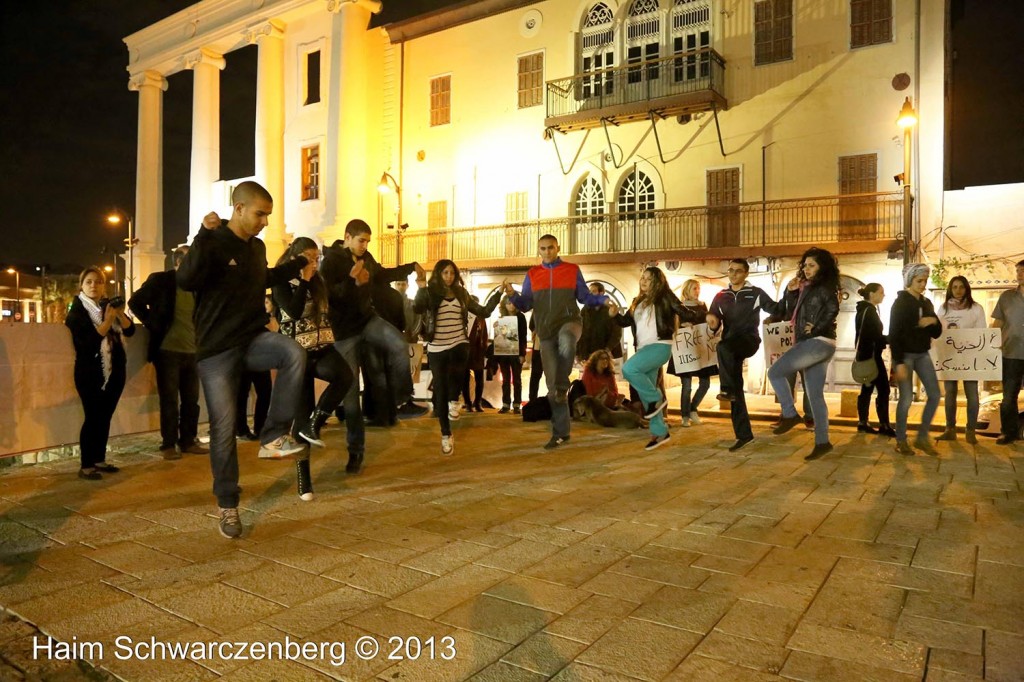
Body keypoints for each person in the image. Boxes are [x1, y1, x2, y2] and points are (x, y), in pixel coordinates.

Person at [177, 181, 309, 539]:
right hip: (217, 349)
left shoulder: (258, 248)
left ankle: (273, 436)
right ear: (238, 209)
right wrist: (202, 236)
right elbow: (186, 279)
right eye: (259, 213)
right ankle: (227, 506)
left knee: (292, 352)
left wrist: (296, 264)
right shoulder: (215, 240)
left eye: (267, 214)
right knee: (223, 430)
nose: (265, 221)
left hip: (251, 339)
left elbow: (260, 279)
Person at [320, 219, 428, 475]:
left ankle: (402, 398)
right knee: (351, 396)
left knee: (398, 344)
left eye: (368, 241)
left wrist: (410, 268)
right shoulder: (332, 260)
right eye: (361, 240)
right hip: (344, 332)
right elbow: (330, 296)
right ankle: (355, 450)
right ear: (347, 237)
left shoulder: (366, 257)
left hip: (367, 321)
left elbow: (382, 275)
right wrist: (352, 282)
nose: (365, 245)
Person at [505, 234, 608, 449]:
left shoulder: (571, 270)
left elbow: (584, 297)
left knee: (567, 339)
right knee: (553, 390)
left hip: (570, 322)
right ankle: (561, 432)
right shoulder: (532, 274)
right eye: (543, 248)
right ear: (538, 250)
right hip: (545, 331)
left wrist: (602, 300)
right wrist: (513, 294)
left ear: (558, 248)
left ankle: (562, 385)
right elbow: (525, 304)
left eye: (551, 247)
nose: (547, 251)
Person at [272, 237, 354, 501]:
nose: (314, 262)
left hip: (322, 348)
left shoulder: (318, 281)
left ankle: (316, 423)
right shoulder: (281, 283)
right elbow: (293, 311)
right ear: (296, 257)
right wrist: (304, 280)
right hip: (296, 355)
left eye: (316, 258)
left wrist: (353, 282)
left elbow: (335, 304)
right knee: (301, 415)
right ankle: (303, 479)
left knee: (345, 375)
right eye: (309, 257)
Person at [414, 260, 503, 454]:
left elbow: (484, 312)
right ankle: (446, 435)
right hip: (437, 346)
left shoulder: (462, 293)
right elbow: (418, 308)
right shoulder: (430, 293)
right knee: (441, 389)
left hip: (459, 343)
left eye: (452, 273)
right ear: (438, 274)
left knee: (458, 375)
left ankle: (455, 401)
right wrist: (421, 286)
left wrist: (499, 293)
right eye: (445, 273)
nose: (449, 277)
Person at [128, 245, 207, 460]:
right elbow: (134, 302)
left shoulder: (199, 287)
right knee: (169, 400)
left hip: (193, 351)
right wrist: (153, 323)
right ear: (178, 262)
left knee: (192, 400)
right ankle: (168, 444)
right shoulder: (160, 281)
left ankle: (188, 440)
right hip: (167, 351)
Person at [615, 266, 701, 450]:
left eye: (648, 278)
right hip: (644, 348)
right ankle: (660, 432)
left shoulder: (664, 296)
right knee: (648, 395)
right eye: (642, 278)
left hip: (660, 345)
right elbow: (624, 322)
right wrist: (614, 314)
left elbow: (685, 312)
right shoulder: (637, 302)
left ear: (657, 282)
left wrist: (689, 320)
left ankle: (656, 397)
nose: (643, 281)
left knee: (629, 370)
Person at [767, 248, 841, 461]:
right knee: (816, 396)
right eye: (805, 265)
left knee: (775, 373)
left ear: (822, 267)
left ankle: (789, 414)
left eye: (812, 265)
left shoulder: (824, 287)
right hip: (821, 344)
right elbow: (791, 313)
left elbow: (832, 308)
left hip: (816, 342)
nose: (806, 269)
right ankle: (822, 442)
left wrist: (816, 328)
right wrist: (790, 293)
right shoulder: (808, 288)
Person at [706, 258, 785, 452]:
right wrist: (712, 322)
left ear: (746, 273)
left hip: (749, 341)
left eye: (738, 271)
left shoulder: (755, 293)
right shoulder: (720, 296)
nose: (733, 274)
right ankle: (744, 435)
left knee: (723, 349)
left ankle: (727, 389)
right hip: (730, 345)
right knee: (736, 388)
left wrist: (789, 293)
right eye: (730, 270)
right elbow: (713, 320)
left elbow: (777, 310)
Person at [65, 267, 135, 480]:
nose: (93, 286)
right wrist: (107, 320)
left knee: (105, 417)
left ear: (104, 285)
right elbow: (87, 344)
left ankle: (99, 459)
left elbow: (130, 330)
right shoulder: (77, 312)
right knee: (93, 417)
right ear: (81, 286)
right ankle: (86, 465)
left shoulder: (108, 307)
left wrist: (119, 313)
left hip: (114, 372)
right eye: (89, 282)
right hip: (90, 374)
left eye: (98, 282)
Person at [890, 263, 942, 456]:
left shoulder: (927, 303)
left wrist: (933, 321)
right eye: (919, 281)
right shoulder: (901, 303)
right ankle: (901, 440)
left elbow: (937, 333)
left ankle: (922, 437)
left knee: (935, 394)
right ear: (910, 281)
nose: (923, 284)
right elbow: (894, 334)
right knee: (905, 399)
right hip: (904, 355)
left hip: (922, 353)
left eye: (925, 281)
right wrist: (899, 362)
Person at [936, 275, 986, 443]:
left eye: (961, 287)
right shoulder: (943, 309)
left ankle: (970, 430)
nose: (958, 290)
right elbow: (938, 333)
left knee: (972, 394)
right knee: (950, 393)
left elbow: (981, 332)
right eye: (955, 287)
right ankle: (950, 429)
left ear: (967, 289)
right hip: (949, 356)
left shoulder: (976, 308)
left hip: (970, 356)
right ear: (950, 289)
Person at [667, 279, 713, 428]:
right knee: (686, 386)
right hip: (685, 351)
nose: (697, 291)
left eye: (698, 288)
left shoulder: (702, 305)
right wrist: (682, 325)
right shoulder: (679, 307)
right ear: (687, 290)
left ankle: (693, 408)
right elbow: (672, 326)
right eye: (694, 288)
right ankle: (685, 415)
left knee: (705, 384)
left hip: (700, 349)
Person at [854, 283, 895, 437]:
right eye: (881, 292)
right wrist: (890, 339)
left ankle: (863, 422)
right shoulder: (869, 311)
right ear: (872, 294)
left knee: (867, 388)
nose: (883, 295)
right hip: (872, 357)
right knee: (884, 389)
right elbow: (873, 336)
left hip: (865, 356)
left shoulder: (864, 310)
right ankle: (884, 425)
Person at [992, 259, 1024, 445]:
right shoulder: (1006, 297)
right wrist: (991, 343)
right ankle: (1008, 432)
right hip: (1011, 353)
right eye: (1018, 270)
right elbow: (998, 323)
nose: (1019, 274)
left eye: (1023, 271)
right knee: (1008, 396)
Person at [236, 295, 276, 443]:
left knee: (265, 392)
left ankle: (260, 427)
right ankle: (241, 429)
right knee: (241, 394)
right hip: (243, 356)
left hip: (259, 356)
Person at [495, 297, 527, 414]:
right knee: (506, 379)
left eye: (513, 303)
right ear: (504, 305)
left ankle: (517, 403)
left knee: (517, 379)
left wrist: (522, 354)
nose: (511, 305)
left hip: (516, 352)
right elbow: (500, 337)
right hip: (504, 353)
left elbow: (523, 336)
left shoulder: (521, 317)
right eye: (508, 303)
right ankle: (505, 403)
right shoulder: (502, 317)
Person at [462, 299, 489, 412]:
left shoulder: (481, 317)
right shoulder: (463, 316)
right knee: (465, 378)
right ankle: (467, 403)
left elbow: (484, 334)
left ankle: (477, 402)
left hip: (478, 351)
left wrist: (484, 348)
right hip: (466, 350)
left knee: (479, 378)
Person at [577, 282, 616, 361]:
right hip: (588, 352)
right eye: (589, 292)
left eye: (593, 291)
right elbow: (580, 330)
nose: (590, 294)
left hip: (605, 351)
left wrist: (608, 349)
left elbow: (616, 332)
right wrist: (578, 352)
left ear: (601, 293)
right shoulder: (585, 310)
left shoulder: (609, 309)